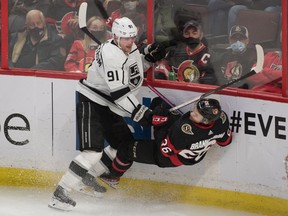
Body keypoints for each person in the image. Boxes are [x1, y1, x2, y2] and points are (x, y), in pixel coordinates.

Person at [48, 17, 166, 211]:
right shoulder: (111, 55)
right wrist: (141, 114)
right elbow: (120, 94)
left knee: (124, 145)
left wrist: (148, 56)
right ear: (116, 37)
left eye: (132, 38)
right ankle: (60, 193)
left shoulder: (128, 47)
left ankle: (87, 179)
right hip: (92, 102)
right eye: (126, 38)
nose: (130, 42)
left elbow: (134, 69)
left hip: (108, 105)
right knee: (93, 153)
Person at [97, 97, 232, 189]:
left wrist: (158, 122)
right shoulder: (221, 120)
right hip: (184, 148)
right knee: (159, 103)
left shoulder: (183, 131)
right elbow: (225, 141)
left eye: (196, 114)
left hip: (168, 157)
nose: (192, 112)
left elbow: (164, 150)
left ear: (206, 120)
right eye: (195, 108)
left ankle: (113, 177)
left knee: (126, 149)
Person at [155, 17, 217, 85]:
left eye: (194, 33)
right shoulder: (174, 51)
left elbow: (211, 80)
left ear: (201, 35)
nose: (191, 36)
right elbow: (161, 69)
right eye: (187, 33)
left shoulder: (211, 56)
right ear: (183, 35)